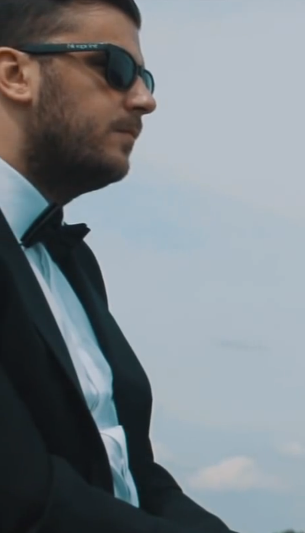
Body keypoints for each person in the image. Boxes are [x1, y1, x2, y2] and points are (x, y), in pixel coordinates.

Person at [0, 1, 239, 531]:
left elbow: (136, 473)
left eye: (144, 77)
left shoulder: (73, 261)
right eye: (115, 67)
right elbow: (22, 497)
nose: (145, 100)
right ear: (15, 74)